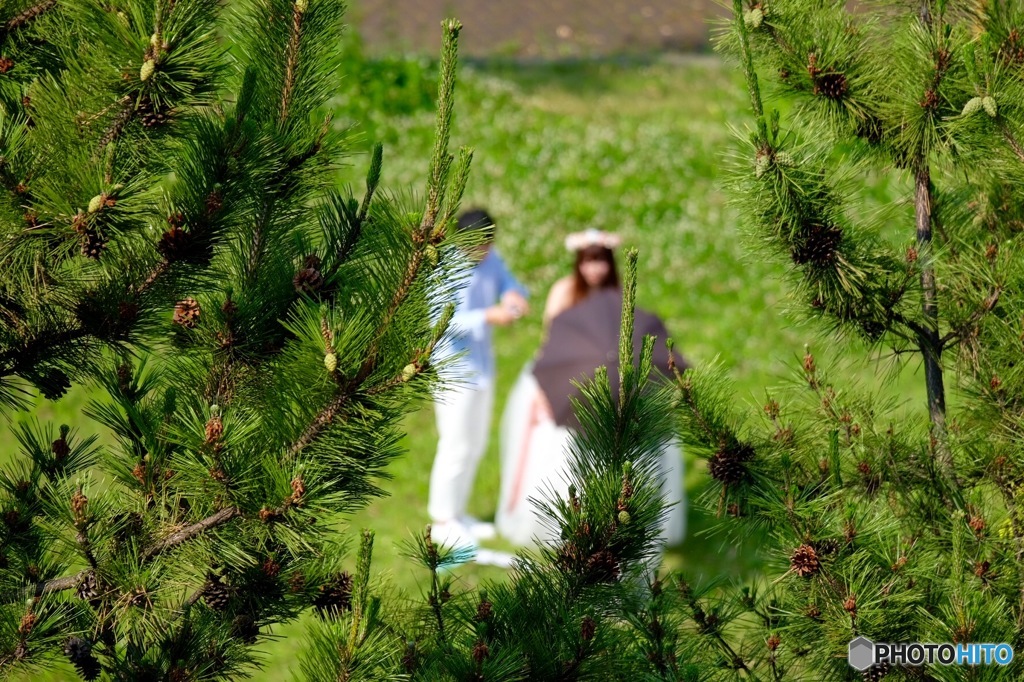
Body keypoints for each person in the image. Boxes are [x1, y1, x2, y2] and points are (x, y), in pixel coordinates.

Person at [496, 228, 686, 548]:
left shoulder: (618, 293)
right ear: (579, 263)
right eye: (588, 261)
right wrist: (546, 392)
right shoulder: (564, 291)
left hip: (609, 378)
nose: (594, 269)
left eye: (600, 262)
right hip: (568, 378)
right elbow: (550, 343)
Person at [429, 209, 529, 551]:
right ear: (463, 241)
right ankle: (442, 519)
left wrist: (515, 294)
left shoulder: (491, 259)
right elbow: (440, 322)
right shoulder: (443, 269)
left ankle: (459, 511)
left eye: (489, 244)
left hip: (482, 367)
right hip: (453, 369)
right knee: (454, 443)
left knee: (475, 443)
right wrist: (488, 315)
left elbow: (509, 282)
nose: (485, 251)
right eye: (479, 245)